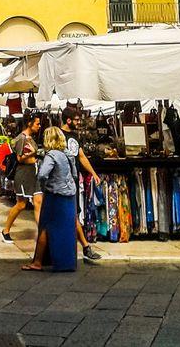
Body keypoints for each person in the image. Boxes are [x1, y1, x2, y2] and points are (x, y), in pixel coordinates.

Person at [22, 126, 77, 272]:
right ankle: (66, 261)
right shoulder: (68, 153)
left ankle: (38, 261)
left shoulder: (51, 155)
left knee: (46, 227)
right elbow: (75, 174)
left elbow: (42, 174)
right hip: (70, 196)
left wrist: (46, 184)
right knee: (66, 228)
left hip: (55, 195)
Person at [60, 106, 102, 261]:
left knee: (73, 214)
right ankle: (84, 247)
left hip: (74, 181)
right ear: (68, 120)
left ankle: (81, 247)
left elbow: (82, 156)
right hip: (63, 182)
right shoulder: (58, 135)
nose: (79, 122)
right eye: (76, 120)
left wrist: (93, 173)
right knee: (70, 215)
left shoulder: (74, 136)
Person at [1, 115, 43, 243]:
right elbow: (19, 158)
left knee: (38, 202)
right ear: (29, 124)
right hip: (24, 174)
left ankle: (42, 232)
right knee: (21, 204)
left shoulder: (30, 138)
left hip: (33, 173)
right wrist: (32, 153)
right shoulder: (21, 139)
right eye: (37, 124)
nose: (39, 126)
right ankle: (6, 230)